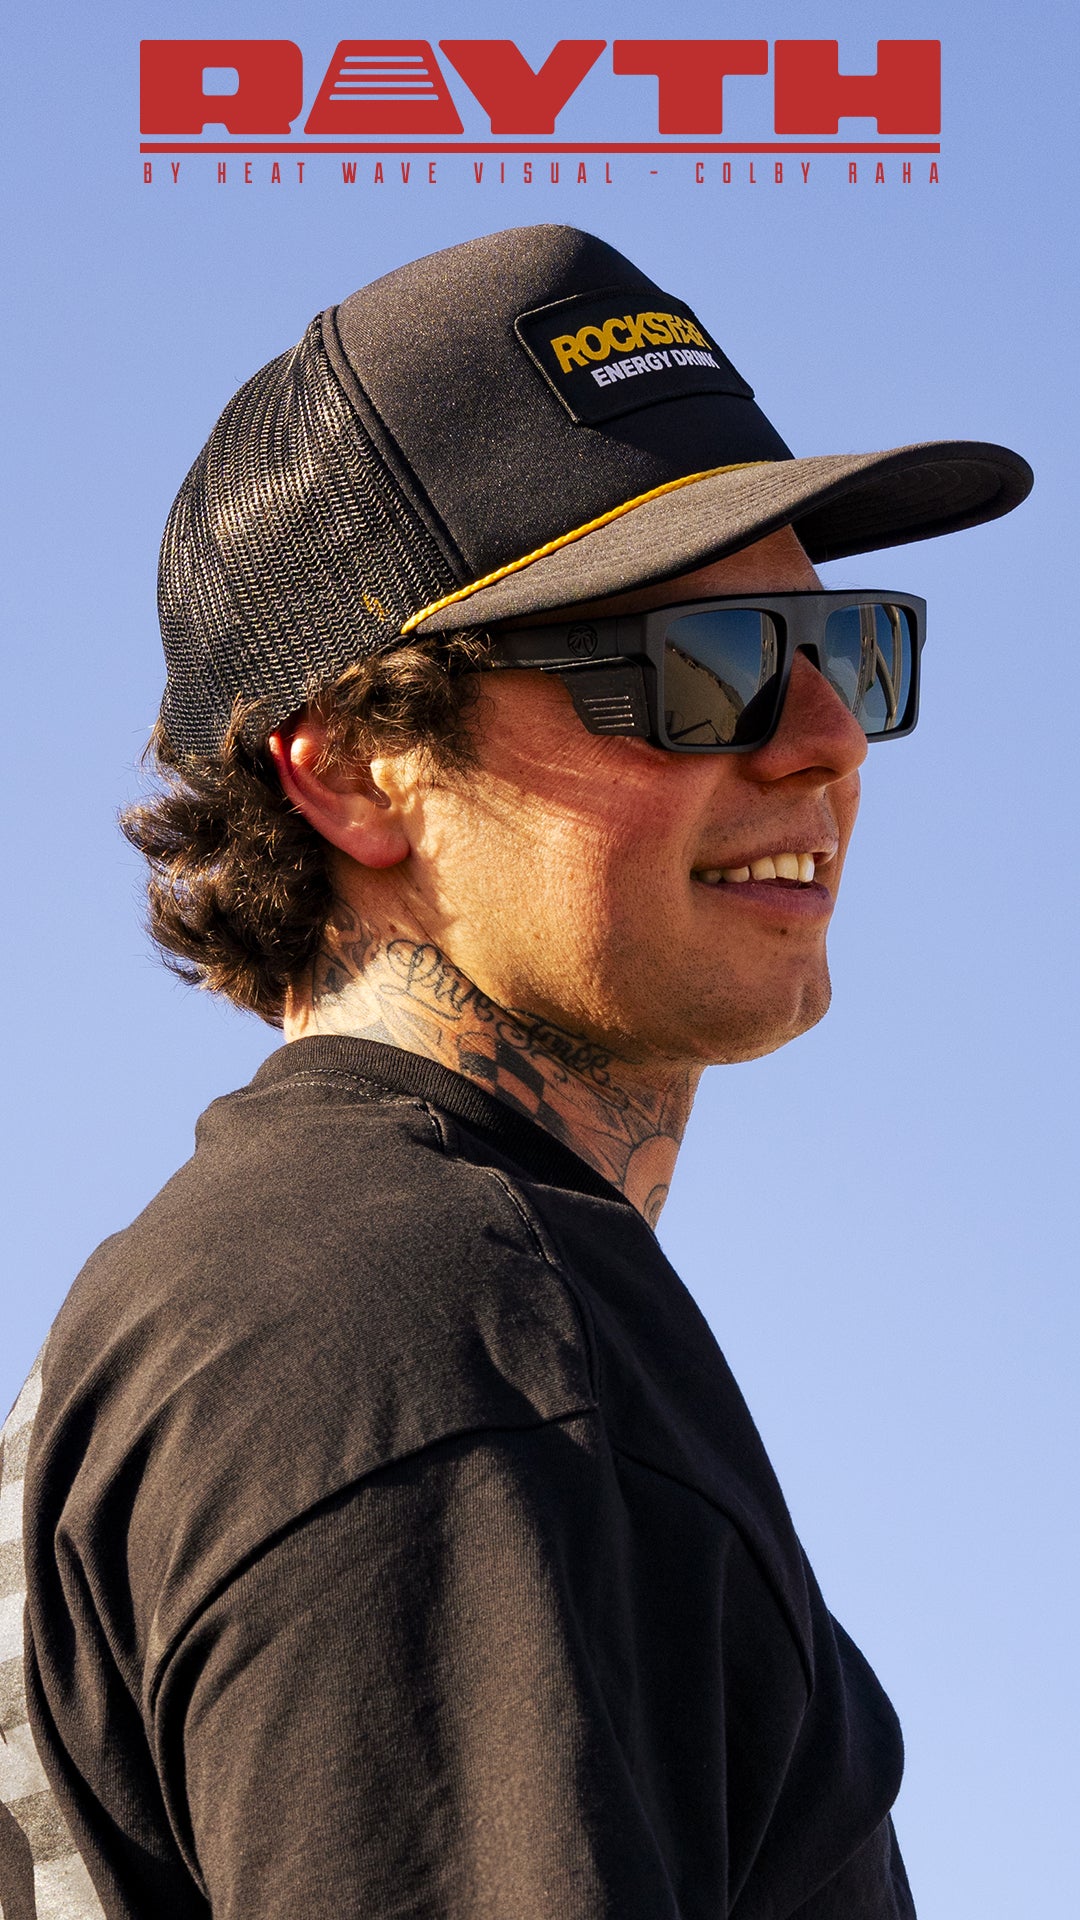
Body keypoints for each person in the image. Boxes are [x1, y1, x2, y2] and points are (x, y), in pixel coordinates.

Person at [0, 224, 1031, 1920]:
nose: (829, 738)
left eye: (846, 649)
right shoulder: (440, 1336)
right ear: (355, 769)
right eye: (704, 670)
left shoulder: (248, 1305)